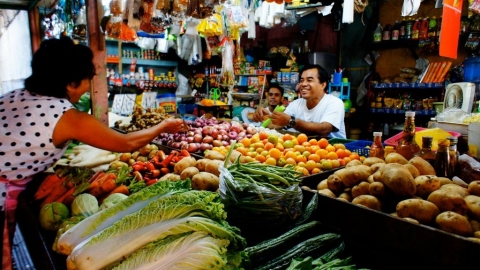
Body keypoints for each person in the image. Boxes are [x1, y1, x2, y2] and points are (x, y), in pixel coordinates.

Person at [0, 37, 185, 269]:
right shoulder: (66, 116)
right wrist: (163, 126)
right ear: (70, 83)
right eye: (88, 79)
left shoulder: (13, 97)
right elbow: (126, 143)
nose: (89, 86)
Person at [253, 64, 346, 138]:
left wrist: (291, 121)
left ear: (323, 85)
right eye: (301, 80)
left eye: (309, 80)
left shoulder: (334, 102)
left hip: (334, 153)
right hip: (305, 153)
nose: (303, 84)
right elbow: (277, 124)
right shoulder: (296, 104)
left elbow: (324, 129)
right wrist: (264, 117)